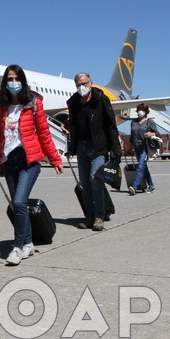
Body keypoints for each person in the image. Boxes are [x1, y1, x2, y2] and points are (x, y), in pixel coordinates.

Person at [0, 65, 63, 265]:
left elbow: (44, 133)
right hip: (9, 161)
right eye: (9, 79)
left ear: (23, 81)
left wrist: (55, 159)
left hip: (29, 160)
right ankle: (28, 243)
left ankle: (16, 247)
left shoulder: (33, 104)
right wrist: (0, 162)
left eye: (16, 79)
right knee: (18, 207)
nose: (13, 83)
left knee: (18, 202)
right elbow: (0, 137)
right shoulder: (1, 107)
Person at [66, 72, 121, 231]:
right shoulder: (74, 103)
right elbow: (74, 126)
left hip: (98, 147)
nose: (82, 87)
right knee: (84, 183)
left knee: (94, 179)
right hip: (82, 147)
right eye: (78, 85)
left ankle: (99, 216)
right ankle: (89, 216)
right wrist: (71, 147)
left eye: (84, 83)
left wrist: (116, 149)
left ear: (91, 83)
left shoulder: (101, 100)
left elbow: (111, 126)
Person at [127, 103, 158, 195]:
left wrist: (151, 134)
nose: (141, 112)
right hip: (136, 147)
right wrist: (130, 147)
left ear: (146, 112)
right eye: (139, 110)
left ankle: (135, 187)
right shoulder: (133, 122)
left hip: (145, 146)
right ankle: (151, 185)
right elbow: (132, 135)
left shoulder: (150, 122)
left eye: (143, 110)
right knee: (143, 167)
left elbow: (157, 133)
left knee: (140, 166)